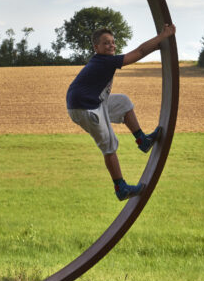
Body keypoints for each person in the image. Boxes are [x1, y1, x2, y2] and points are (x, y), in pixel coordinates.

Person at [66, 23, 176, 200]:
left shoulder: (104, 60)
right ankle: (120, 187)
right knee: (109, 144)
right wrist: (163, 36)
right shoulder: (104, 61)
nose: (111, 45)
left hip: (92, 101)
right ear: (97, 48)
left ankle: (143, 140)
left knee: (123, 102)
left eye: (112, 42)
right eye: (106, 43)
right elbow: (139, 52)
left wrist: (157, 47)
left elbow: (140, 52)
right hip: (84, 107)